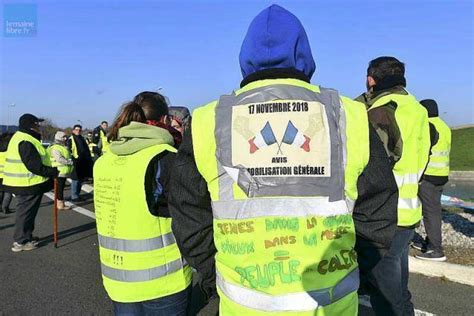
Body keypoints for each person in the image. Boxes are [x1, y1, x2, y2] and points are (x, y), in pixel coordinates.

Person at [168, 5, 369, 315]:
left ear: (245, 60)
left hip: (243, 305)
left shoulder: (209, 119)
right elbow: (378, 210)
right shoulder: (348, 114)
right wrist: (361, 268)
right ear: (304, 55)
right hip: (331, 305)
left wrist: (214, 272)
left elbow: (186, 210)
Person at [94, 101, 192, 316]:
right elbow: (191, 216)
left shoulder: (104, 160)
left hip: (118, 279)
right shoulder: (166, 158)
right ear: (166, 121)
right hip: (163, 281)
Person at [355, 56, 431, 315]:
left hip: (383, 216)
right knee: (399, 289)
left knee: (383, 298)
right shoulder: (417, 109)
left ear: (370, 80)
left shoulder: (382, 111)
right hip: (409, 212)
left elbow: (371, 167)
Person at [3, 114, 58, 252]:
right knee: (25, 213)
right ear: (30, 126)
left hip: (26, 183)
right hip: (27, 183)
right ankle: (21, 241)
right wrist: (52, 172)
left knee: (28, 213)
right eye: (37, 124)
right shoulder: (25, 140)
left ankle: (26, 236)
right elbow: (33, 165)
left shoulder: (23, 138)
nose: (39, 127)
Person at [413, 99, 451, 261]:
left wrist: (418, 176)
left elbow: (423, 153)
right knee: (433, 209)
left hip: (428, 176)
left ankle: (436, 249)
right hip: (441, 175)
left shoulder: (428, 126)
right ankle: (430, 242)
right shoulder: (444, 126)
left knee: (430, 212)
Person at [47, 131, 74, 210]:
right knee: (59, 188)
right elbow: (59, 159)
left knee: (60, 188)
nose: (66, 138)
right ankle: (60, 204)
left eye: (66, 137)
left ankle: (60, 203)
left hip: (63, 171)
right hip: (58, 171)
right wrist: (69, 162)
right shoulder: (55, 147)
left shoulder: (62, 147)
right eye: (63, 137)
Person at [67, 124, 93, 202]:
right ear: (73, 130)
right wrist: (73, 160)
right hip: (76, 162)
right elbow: (69, 150)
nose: (78, 131)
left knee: (81, 179)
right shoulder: (71, 139)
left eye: (79, 130)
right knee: (75, 179)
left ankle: (77, 195)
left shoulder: (82, 138)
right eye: (76, 130)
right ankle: (74, 196)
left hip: (83, 162)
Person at [0, 132, 14, 214]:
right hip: (7, 175)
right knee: (8, 192)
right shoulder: (10, 152)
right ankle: (5, 207)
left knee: (0, 191)